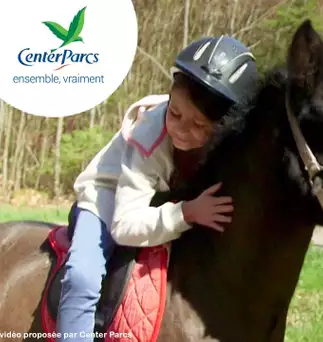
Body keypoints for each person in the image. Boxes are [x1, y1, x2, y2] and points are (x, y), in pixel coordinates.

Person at [57, 35, 259, 341]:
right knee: (82, 276)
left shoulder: (230, 146)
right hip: (107, 198)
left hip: (160, 199)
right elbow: (124, 226)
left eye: (199, 126)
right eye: (175, 113)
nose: (179, 129)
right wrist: (186, 214)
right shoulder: (150, 137)